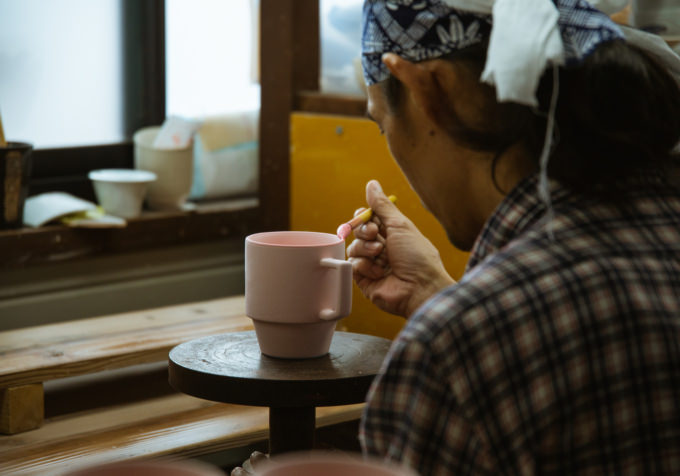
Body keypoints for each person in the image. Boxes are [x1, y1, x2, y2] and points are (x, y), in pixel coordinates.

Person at [346, 0, 680, 474]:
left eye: (382, 122)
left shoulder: (448, 353)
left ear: (428, 89)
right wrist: (434, 295)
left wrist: (454, 320)